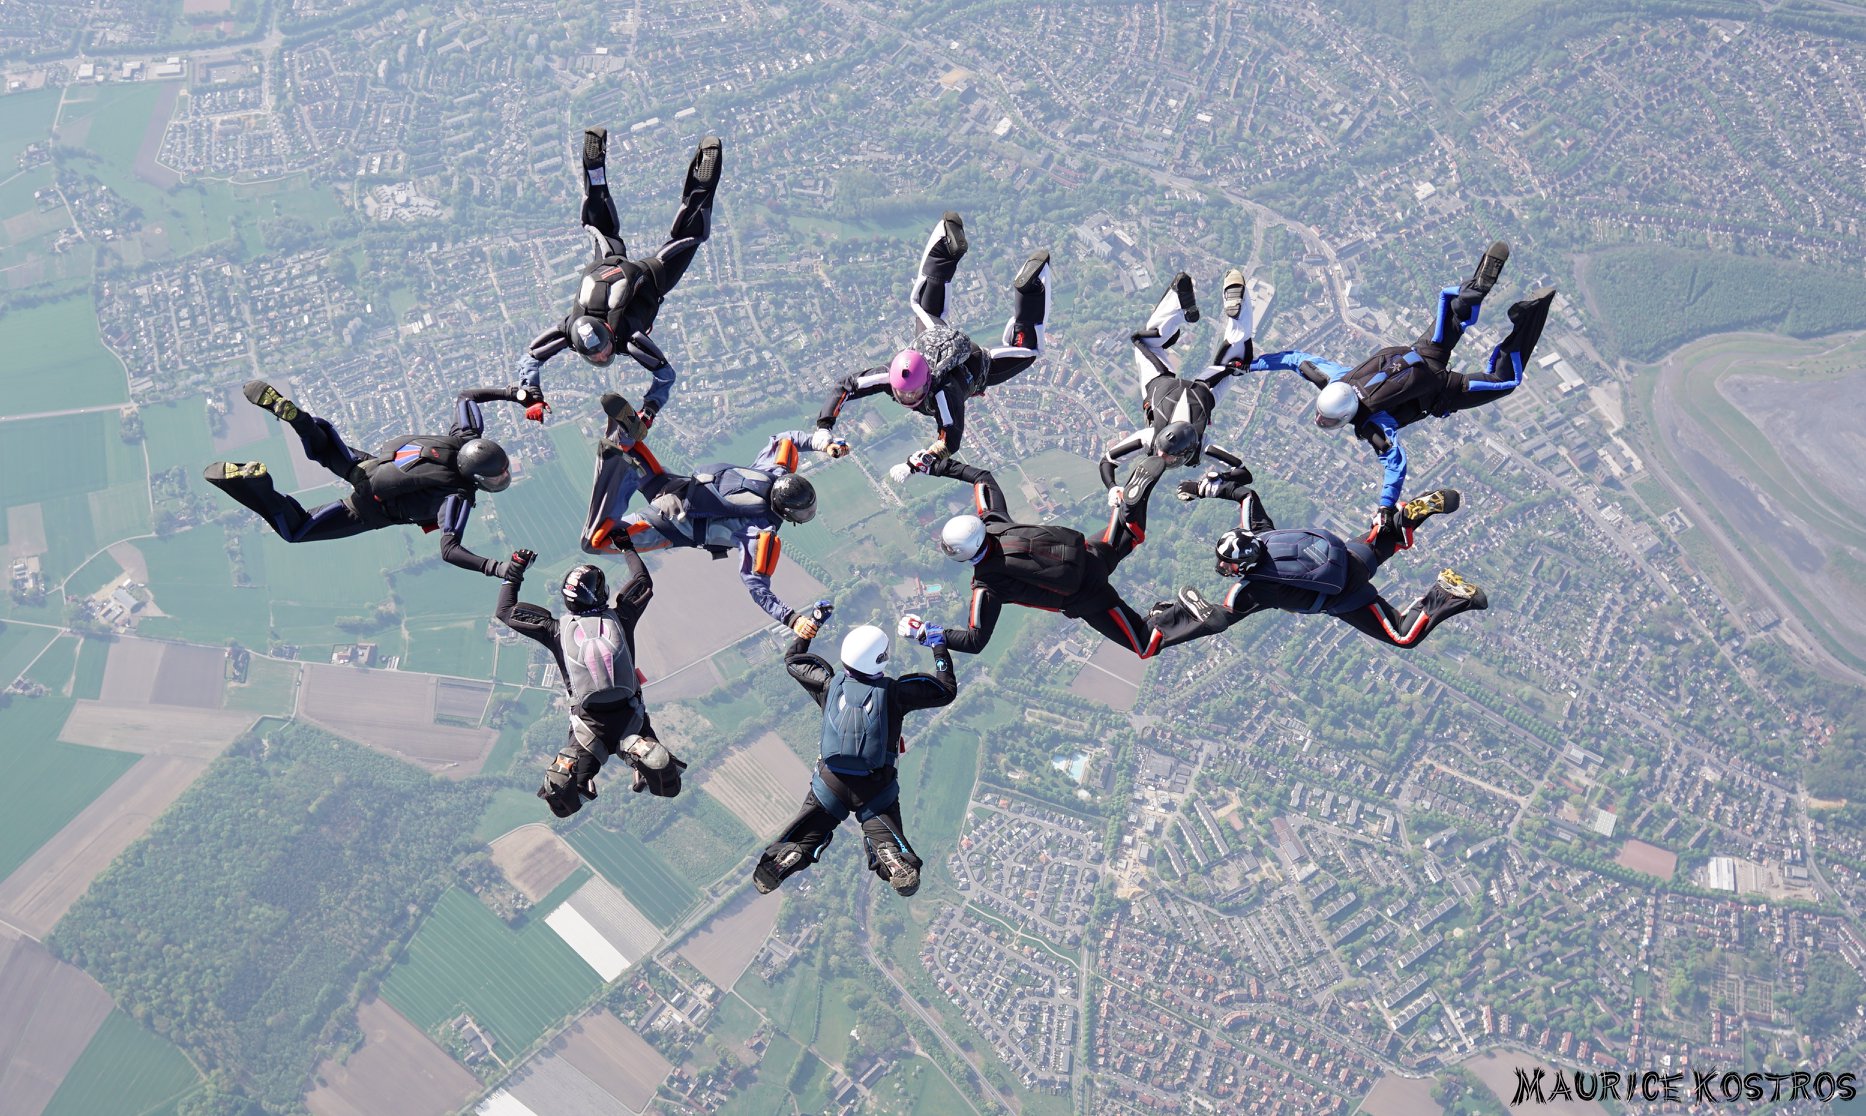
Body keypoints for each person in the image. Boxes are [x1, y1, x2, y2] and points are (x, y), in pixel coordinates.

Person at [1253, 241, 1555, 545]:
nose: (1321, 420)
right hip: (1422, 353)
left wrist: (1386, 506)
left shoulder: (1373, 423)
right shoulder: (1336, 377)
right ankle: (1475, 288)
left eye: (1326, 419)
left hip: (1441, 390)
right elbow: (1295, 359)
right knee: (1454, 316)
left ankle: (1530, 314)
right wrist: (1249, 365)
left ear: (1344, 415)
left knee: (1506, 380)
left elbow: (1396, 464)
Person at [204, 379, 535, 577]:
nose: (500, 479)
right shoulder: (458, 496)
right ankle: (257, 482)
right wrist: (497, 568)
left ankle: (300, 420)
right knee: (296, 530)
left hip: (369, 467)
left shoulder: (463, 439)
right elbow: (450, 550)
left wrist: (516, 394)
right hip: (366, 508)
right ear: (477, 476)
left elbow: (467, 396)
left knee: (326, 451)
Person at [813, 211, 1052, 480]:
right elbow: (847, 386)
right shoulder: (891, 375)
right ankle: (945, 249)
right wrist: (824, 425)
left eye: (913, 392)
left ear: (927, 381)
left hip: (976, 365)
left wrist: (912, 465)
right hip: (936, 339)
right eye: (903, 393)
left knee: (1029, 350)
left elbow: (949, 440)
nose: (907, 398)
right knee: (923, 307)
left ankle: (1030, 288)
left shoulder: (943, 393)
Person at [1145, 467, 1486, 651]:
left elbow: (1217, 619)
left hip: (1347, 596)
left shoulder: (1253, 590)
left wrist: (1170, 619)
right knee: (1388, 536)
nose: (1222, 568)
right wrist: (1200, 488)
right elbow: (1247, 496)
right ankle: (1409, 513)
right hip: (1349, 555)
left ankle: (1445, 592)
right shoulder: (1261, 534)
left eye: (1227, 564)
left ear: (1244, 566)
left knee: (1402, 635)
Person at [518, 129, 723, 421]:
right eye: (598, 355)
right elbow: (531, 357)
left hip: (650, 276)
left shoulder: (627, 337)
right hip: (607, 265)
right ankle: (594, 169)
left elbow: (665, 374)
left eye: (602, 351)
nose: (603, 356)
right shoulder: (570, 329)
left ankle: (703, 182)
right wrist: (531, 395)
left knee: (690, 236)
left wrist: (649, 411)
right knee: (599, 226)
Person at [754, 607, 957, 897]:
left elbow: (793, 660)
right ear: (881, 659)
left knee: (810, 833)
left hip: (830, 783)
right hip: (875, 787)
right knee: (884, 834)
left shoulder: (828, 685)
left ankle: (790, 853)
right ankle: (890, 854)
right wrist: (938, 645)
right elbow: (945, 689)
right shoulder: (895, 692)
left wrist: (812, 625)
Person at [581, 425, 849, 636]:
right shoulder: (760, 531)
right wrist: (791, 619)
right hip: (669, 522)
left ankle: (626, 439)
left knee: (654, 481)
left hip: (682, 487)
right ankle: (613, 469)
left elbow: (786, 439)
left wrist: (823, 444)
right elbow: (757, 586)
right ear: (787, 512)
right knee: (595, 543)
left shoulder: (774, 471)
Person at [492, 542, 685, 817]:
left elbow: (505, 610)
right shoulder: (621, 617)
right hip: (630, 718)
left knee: (560, 795)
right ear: (601, 593)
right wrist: (626, 546)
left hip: (588, 727)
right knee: (667, 780)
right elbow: (643, 582)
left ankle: (579, 781)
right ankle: (641, 757)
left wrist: (515, 571)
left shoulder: (555, 630)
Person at [903, 455, 1162, 658]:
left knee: (1144, 644)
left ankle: (1183, 616)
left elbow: (974, 641)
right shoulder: (994, 521)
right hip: (1089, 555)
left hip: (1087, 597)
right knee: (1131, 533)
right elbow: (982, 478)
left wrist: (926, 633)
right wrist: (934, 465)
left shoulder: (988, 585)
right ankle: (1129, 503)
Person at [1099, 268, 1256, 512]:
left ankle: (1185, 300)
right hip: (1190, 389)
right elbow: (1243, 472)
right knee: (1147, 343)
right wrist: (1218, 479)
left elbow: (1108, 462)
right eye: (1166, 454)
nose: (1162, 459)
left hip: (1190, 389)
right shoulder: (1172, 442)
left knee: (1231, 360)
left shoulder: (1165, 440)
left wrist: (1113, 486)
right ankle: (1187, 299)